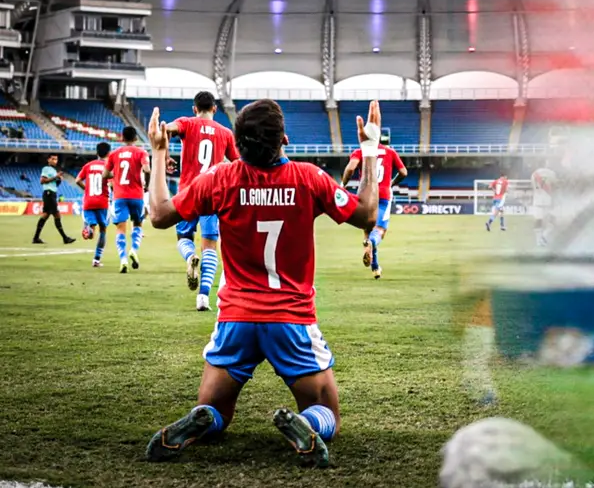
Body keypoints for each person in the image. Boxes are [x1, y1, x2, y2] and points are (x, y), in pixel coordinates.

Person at [143, 99, 380, 468]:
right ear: (284, 138)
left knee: (214, 410)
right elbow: (367, 212)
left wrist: (159, 153)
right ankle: (304, 423)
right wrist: (369, 150)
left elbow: (158, 214)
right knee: (327, 413)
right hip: (292, 321)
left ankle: (204, 419)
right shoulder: (308, 177)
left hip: (235, 321)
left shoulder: (220, 179)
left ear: (236, 144)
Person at [163, 91, 239, 311]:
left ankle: (189, 256)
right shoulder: (225, 133)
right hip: (213, 193)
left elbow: (166, 129)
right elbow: (237, 163)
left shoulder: (187, 123)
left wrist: (167, 155)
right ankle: (203, 298)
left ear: (194, 109)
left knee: (183, 237)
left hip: (188, 191)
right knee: (210, 246)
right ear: (215, 109)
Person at [340, 129, 406, 279]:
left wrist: (342, 185)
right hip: (383, 195)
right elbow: (403, 172)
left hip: (365, 194)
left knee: (368, 229)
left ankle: (375, 267)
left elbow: (350, 168)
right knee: (380, 230)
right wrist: (391, 183)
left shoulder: (359, 151)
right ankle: (371, 244)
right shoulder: (390, 152)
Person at [104, 126, 150, 274]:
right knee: (137, 224)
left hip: (120, 196)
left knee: (120, 228)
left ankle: (123, 259)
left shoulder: (114, 154)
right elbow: (147, 170)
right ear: (136, 138)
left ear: (122, 138)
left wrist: (116, 174)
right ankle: (134, 250)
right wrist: (147, 185)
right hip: (136, 195)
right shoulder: (141, 152)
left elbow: (105, 175)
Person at [76, 142, 112, 267]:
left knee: (92, 225)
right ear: (109, 153)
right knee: (103, 230)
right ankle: (96, 260)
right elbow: (112, 184)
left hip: (89, 200)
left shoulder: (88, 165)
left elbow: (77, 180)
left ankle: (89, 227)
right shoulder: (108, 167)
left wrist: (86, 188)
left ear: (97, 153)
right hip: (102, 201)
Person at [32, 154, 75, 245]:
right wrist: (56, 177)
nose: (55, 161)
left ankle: (36, 238)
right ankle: (65, 238)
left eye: (56, 159)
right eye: (53, 159)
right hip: (49, 193)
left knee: (45, 215)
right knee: (57, 215)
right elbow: (42, 181)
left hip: (51, 193)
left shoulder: (54, 171)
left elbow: (54, 184)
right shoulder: (46, 169)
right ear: (48, 160)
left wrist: (59, 179)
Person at [530, 165, 556, 248]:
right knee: (552, 221)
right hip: (548, 200)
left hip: (537, 200)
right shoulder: (552, 173)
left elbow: (533, 186)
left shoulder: (534, 174)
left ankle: (538, 240)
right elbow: (555, 186)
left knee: (538, 221)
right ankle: (544, 236)